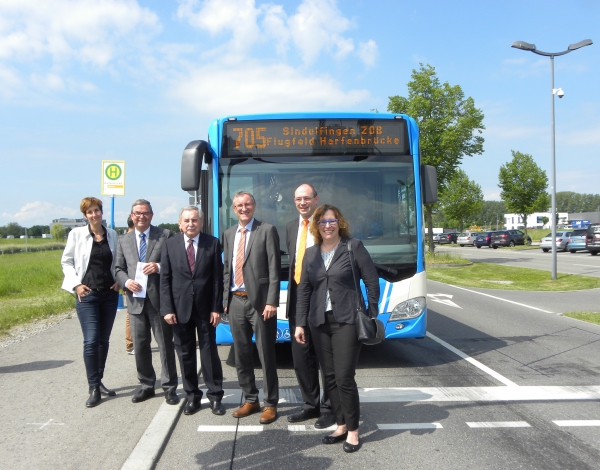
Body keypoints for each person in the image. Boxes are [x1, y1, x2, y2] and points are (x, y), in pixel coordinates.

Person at [295, 204, 380, 453]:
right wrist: (300, 323)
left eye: (331, 221)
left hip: (347, 321)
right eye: (322, 222)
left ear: (339, 222)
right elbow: (304, 291)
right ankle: (341, 424)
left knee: (344, 377)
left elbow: (371, 281)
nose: (327, 226)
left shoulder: (353, 247)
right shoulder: (310, 254)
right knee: (329, 376)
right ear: (316, 226)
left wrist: (371, 313)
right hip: (319, 322)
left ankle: (353, 431)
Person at [160, 206, 225, 416]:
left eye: (194, 220)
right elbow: (165, 279)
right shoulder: (169, 245)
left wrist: (217, 307)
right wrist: (167, 309)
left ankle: (215, 396)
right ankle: (192, 397)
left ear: (201, 222)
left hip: (206, 309)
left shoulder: (212, 243)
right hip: (179, 310)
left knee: (209, 354)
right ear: (180, 224)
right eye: (186, 220)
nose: (190, 224)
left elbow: (217, 279)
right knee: (185, 354)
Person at [223, 191, 281, 425]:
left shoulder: (266, 230)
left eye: (247, 204)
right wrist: (223, 301)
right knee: (241, 354)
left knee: (265, 353)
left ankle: (270, 403)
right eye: (239, 205)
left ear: (254, 206)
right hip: (236, 300)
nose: (243, 208)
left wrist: (271, 301)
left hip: (259, 302)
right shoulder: (228, 234)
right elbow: (227, 269)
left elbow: (274, 268)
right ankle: (250, 398)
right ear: (234, 209)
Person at [115, 199, 179, 406]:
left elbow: (176, 261)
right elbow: (117, 269)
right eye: (137, 213)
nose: (141, 216)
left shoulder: (165, 235)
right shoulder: (123, 240)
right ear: (132, 216)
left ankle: (170, 387)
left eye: (145, 213)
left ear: (151, 215)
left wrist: (158, 267)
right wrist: (126, 282)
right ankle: (146, 385)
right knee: (141, 346)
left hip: (159, 301)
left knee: (164, 346)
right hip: (135, 301)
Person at [61, 197, 120, 408]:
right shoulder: (77, 234)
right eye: (90, 212)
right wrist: (76, 284)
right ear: (85, 216)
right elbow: (66, 261)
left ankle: (99, 379)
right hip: (87, 295)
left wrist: (118, 281)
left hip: (110, 295)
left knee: (104, 341)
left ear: (101, 212)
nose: (94, 215)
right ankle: (93, 387)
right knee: (91, 340)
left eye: (96, 210)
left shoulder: (112, 234)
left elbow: (119, 262)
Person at [285, 184, 334, 428]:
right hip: (298, 300)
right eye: (298, 199)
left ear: (316, 199)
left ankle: (329, 408)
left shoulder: (325, 224)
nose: (302, 203)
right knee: (301, 357)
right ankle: (310, 405)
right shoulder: (291, 227)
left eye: (306, 198)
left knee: (326, 358)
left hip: (322, 300)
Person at [124, 216, 135, 355]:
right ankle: (130, 344)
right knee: (130, 314)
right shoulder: (126, 240)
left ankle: (131, 343)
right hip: (131, 283)